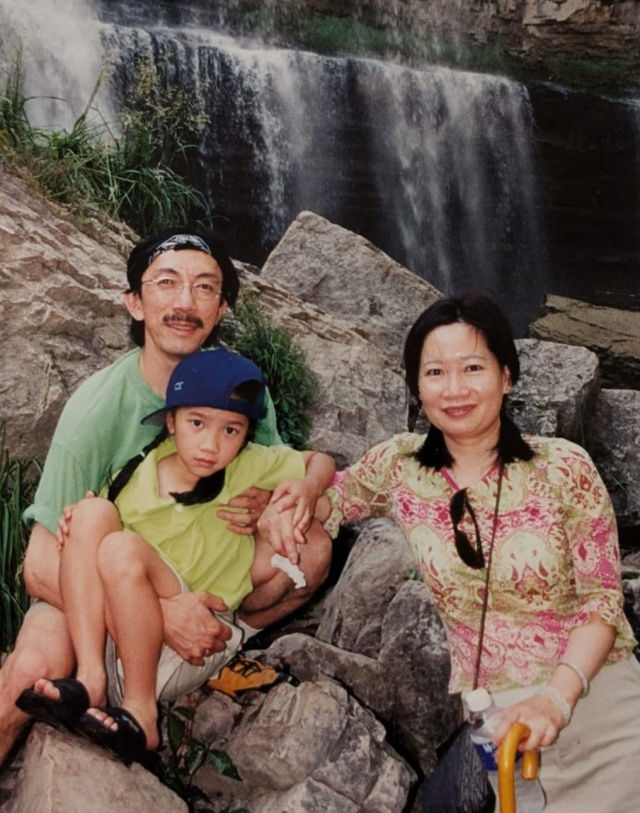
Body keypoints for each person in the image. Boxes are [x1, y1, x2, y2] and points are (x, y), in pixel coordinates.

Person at [0, 227, 332, 767]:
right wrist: (159, 613)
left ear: (221, 308)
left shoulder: (240, 388)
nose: (185, 303)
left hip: (205, 572)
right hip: (101, 587)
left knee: (312, 547)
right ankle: (119, 674)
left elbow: (283, 469)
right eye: (167, 283)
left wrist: (276, 499)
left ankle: (222, 646)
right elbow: (39, 566)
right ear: (135, 302)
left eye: (204, 287)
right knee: (27, 672)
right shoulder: (96, 411)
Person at [312, 294, 640, 812]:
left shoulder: (564, 467)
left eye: (473, 368)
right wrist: (292, 494)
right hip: (496, 721)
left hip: (592, 704)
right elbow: (324, 498)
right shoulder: (399, 468)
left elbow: (601, 601)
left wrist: (556, 697)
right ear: (417, 386)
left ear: (506, 376)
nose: (455, 389)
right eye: (435, 372)